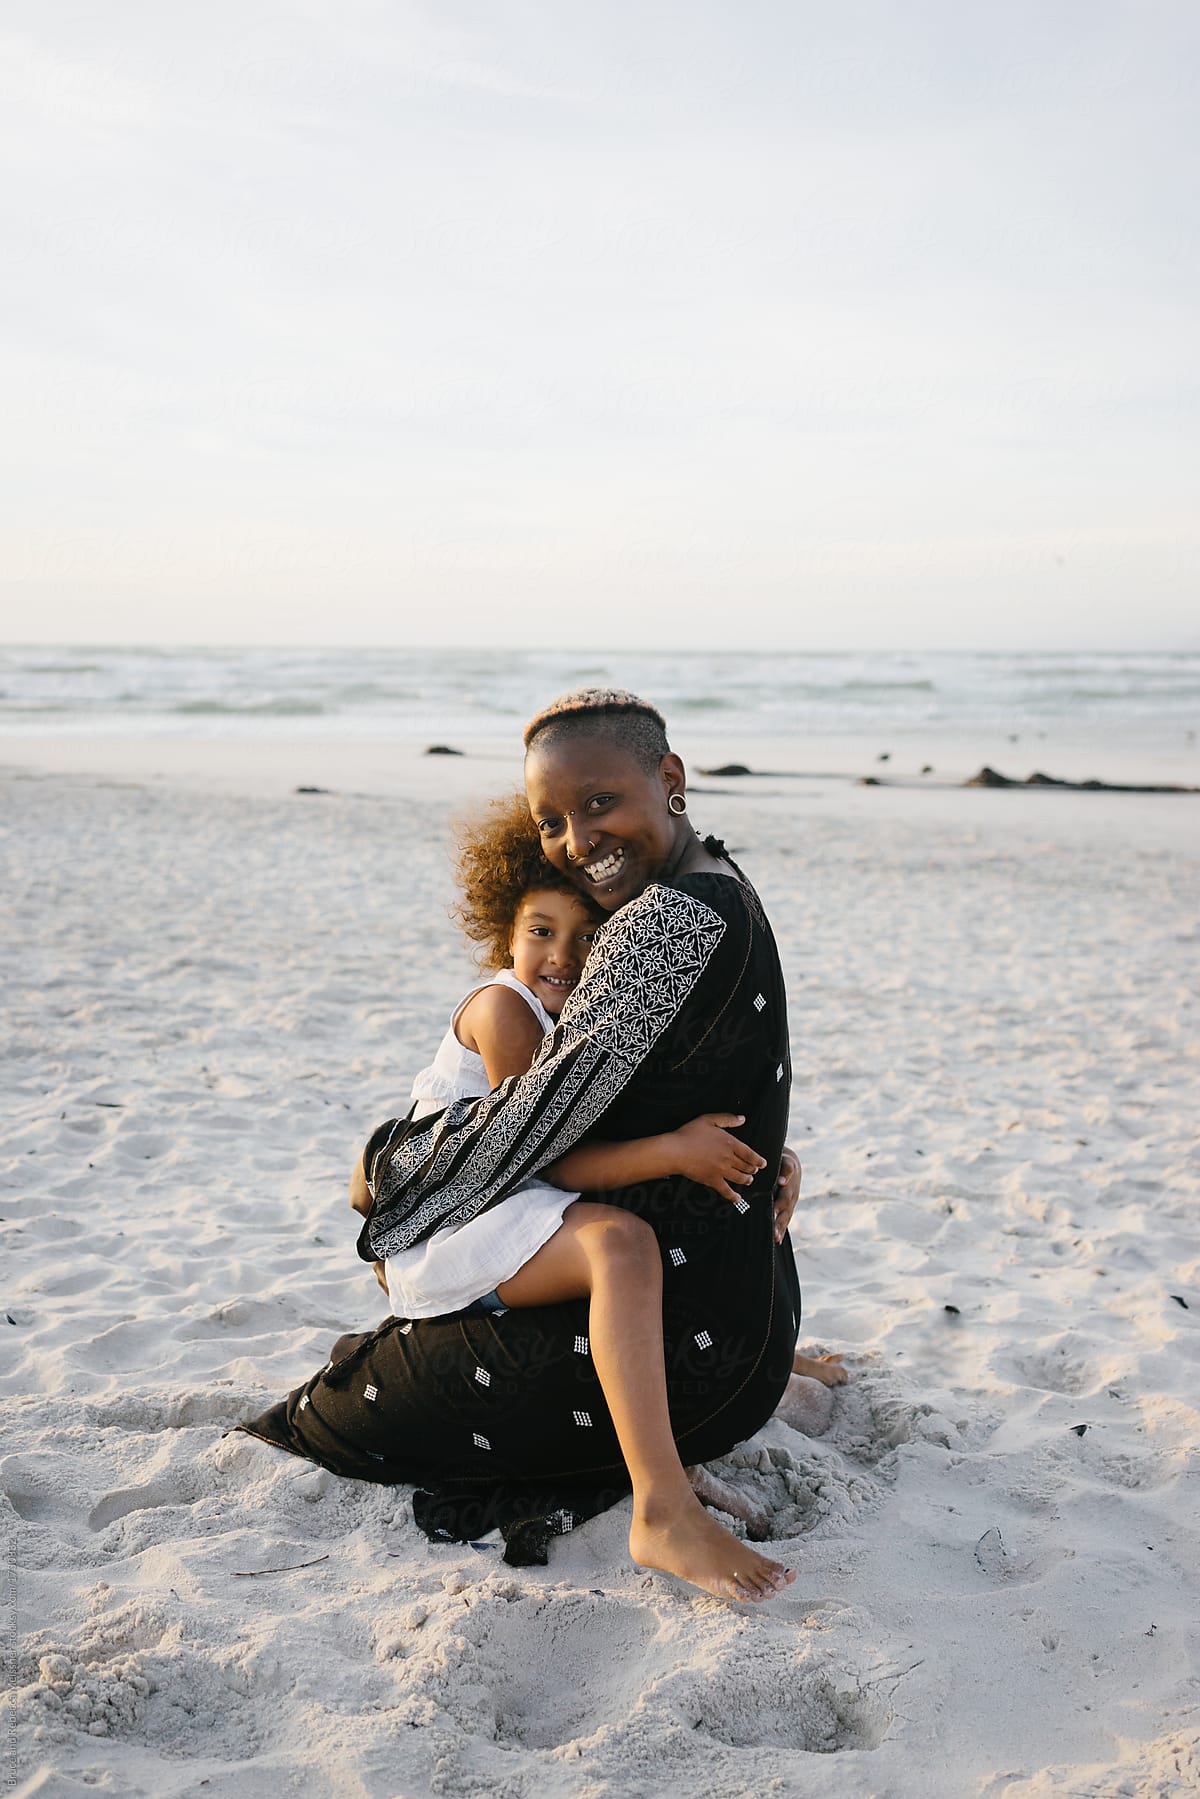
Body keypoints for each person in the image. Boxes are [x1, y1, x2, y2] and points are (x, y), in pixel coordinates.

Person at [238, 688, 828, 1600]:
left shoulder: (656, 926)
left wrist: (381, 1166)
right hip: (742, 1323)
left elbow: (530, 1129)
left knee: (332, 1412)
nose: (577, 838)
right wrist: (770, 1158)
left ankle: (659, 1507)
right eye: (550, 820)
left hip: (693, 1358)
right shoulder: (727, 880)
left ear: (669, 779)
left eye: (600, 802)